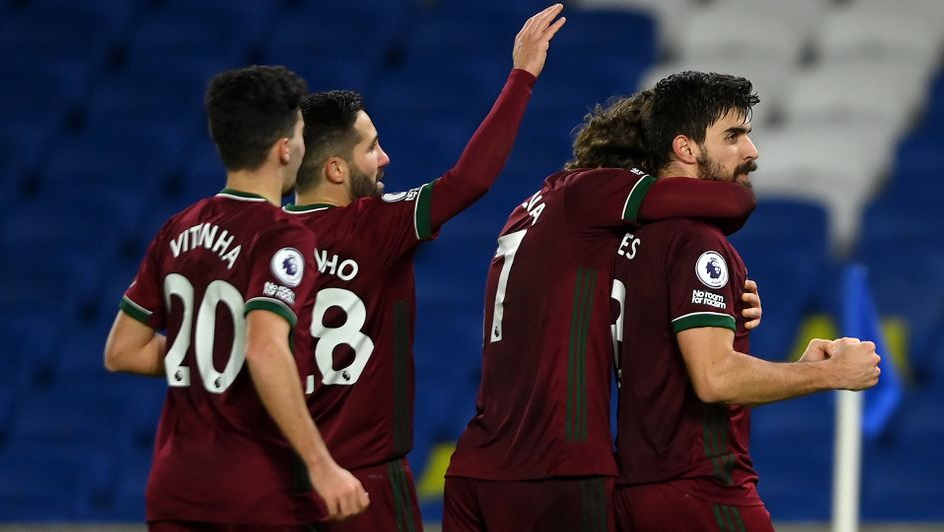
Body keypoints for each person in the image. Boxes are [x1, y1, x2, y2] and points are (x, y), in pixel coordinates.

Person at [282, 5, 568, 530]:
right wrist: (523, 76)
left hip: (282, 487)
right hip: (366, 485)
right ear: (335, 167)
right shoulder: (374, 225)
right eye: (372, 148)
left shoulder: (260, 241)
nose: (385, 158)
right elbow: (470, 180)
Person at [442, 76, 770, 530]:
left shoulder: (543, 210)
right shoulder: (598, 193)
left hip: (476, 461)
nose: (751, 152)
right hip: (555, 467)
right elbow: (733, 202)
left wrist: (726, 301)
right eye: (733, 136)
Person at [609, 71, 882, 531]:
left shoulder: (631, 241)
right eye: (733, 136)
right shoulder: (696, 241)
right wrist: (829, 373)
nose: (751, 152)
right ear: (686, 148)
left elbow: (677, 379)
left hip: (637, 492)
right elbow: (714, 379)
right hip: (701, 493)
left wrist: (789, 365)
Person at [104, 65, 369, 530]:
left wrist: (208, 345)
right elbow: (264, 348)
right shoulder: (282, 235)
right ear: (285, 147)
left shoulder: (179, 226)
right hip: (254, 489)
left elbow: (123, 351)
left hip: (173, 486)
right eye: (302, 133)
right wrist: (322, 466)